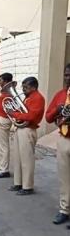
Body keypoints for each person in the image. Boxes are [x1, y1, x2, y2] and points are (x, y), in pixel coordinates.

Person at [8, 77, 45, 195]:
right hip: (21, 128)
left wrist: (13, 113)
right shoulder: (27, 98)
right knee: (18, 158)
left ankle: (27, 186)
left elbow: (31, 116)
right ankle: (18, 183)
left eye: (26, 87)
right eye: (23, 87)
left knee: (27, 159)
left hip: (28, 129)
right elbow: (24, 113)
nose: (23, 90)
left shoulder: (38, 98)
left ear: (34, 87)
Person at [46, 64, 70, 226]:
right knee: (64, 178)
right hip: (64, 139)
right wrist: (58, 110)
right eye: (66, 75)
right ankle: (64, 210)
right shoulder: (60, 95)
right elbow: (48, 117)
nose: (67, 78)